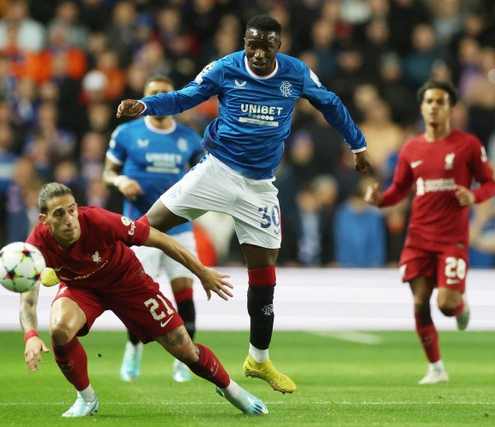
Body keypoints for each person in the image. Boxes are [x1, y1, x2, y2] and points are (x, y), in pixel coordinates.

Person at [116, 14, 373, 394]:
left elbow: (330, 103)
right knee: (147, 226)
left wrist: (358, 144)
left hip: (260, 188)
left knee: (265, 275)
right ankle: (84, 254)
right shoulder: (225, 67)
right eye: (252, 44)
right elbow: (186, 96)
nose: (257, 52)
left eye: (265, 46)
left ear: (278, 47)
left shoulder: (296, 73)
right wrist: (147, 106)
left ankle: (259, 360)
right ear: (245, 42)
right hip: (217, 171)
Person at [20, 182, 268, 417]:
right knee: (59, 330)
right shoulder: (36, 244)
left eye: (72, 211)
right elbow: (28, 294)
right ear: (44, 220)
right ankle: (86, 398)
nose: (69, 220)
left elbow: (160, 238)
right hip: (81, 289)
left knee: (185, 350)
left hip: (127, 282)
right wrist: (31, 335)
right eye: (60, 214)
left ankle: (231, 389)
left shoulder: (100, 220)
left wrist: (201, 271)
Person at [364, 80, 495, 384]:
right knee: (420, 302)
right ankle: (436, 367)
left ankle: (461, 306)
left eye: (440, 101)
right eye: (429, 102)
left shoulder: (468, 145)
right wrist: (380, 199)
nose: (434, 107)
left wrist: (473, 196)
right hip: (419, 238)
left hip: (452, 238)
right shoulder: (411, 148)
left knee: (446, 306)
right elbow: (399, 190)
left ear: (451, 108)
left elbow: (490, 184)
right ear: (422, 108)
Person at [103, 75, 204, 383]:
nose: (159, 97)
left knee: (184, 296)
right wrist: (120, 181)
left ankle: (185, 362)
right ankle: (133, 351)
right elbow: (108, 172)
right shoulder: (126, 133)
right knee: (140, 299)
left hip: (179, 228)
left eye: (164, 93)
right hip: (139, 229)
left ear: (172, 98)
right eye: (153, 93)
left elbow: (202, 176)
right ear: (145, 98)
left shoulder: (189, 138)